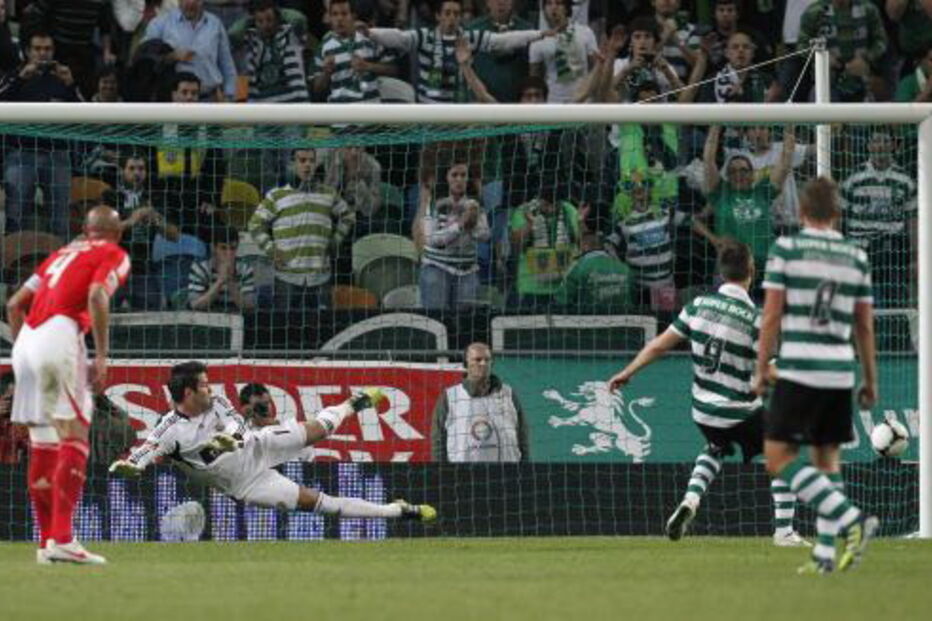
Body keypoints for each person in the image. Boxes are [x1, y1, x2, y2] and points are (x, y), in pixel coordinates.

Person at [608, 240, 807, 547]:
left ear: (720, 273)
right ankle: (784, 532)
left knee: (717, 446)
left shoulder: (697, 306)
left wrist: (628, 371)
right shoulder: (756, 320)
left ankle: (690, 500)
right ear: (752, 271)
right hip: (738, 410)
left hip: (702, 410)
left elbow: (661, 344)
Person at [110, 361, 437, 523]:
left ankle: (354, 403)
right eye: (204, 385)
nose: (211, 389)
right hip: (247, 483)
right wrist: (131, 467)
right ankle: (397, 511)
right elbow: (146, 450)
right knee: (322, 504)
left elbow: (238, 425)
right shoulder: (168, 430)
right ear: (188, 393)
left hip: (259, 444)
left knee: (320, 429)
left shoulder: (219, 402)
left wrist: (231, 439)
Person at [752, 177, 879, 574]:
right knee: (827, 460)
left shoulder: (787, 249)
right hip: (839, 370)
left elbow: (771, 314)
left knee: (777, 457)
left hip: (801, 366)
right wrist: (870, 379)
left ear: (802, 213)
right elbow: (864, 325)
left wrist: (760, 367)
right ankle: (825, 555)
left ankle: (852, 520)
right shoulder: (855, 255)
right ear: (837, 214)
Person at [5, 205, 130, 565]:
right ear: (117, 232)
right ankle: (63, 538)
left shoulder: (60, 254)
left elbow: (14, 305)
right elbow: (96, 296)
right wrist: (102, 355)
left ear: (86, 229)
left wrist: (27, 358)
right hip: (60, 336)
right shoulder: (113, 253)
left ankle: (47, 544)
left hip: (26, 340)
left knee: (43, 442)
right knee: (75, 434)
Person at [363, 0, 551, 103]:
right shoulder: (424, 35)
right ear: (438, 16)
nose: (452, 18)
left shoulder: (468, 37)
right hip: (429, 112)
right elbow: (399, 37)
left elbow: (501, 41)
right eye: (447, 13)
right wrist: (370, 33)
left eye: (456, 14)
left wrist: (539, 33)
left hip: (459, 112)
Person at [248, 148, 354, 312]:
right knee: (284, 329)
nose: (308, 165)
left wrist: (335, 240)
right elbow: (255, 225)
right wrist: (271, 249)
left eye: (311, 161)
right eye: (302, 160)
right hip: (286, 276)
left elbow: (347, 216)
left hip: (320, 276)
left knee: (322, 329)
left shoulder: (328, 194)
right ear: (292, 164)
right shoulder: (276, 196)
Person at [0, 31, 81, 239]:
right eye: (37, 49)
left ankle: (61, 269)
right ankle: (13, 269)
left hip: (58, 155)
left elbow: (83, 113)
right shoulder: (15, 75)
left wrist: (71, 85)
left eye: (47, 49)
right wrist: (19, 79)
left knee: (60, 219)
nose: (42, 54)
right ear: (27, 52)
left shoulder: (63, 78)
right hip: (20, 154)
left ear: (53, 52)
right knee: (16, 216)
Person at [839, 129, 917, 307]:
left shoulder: (905, 180)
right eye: (876, 141)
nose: (880, 145)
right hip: (860, 249)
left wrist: (915, 257)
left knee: (896, 303)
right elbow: (839, 215)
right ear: (868, 146)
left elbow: (913, 221)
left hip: (892, 250)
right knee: (862, 304)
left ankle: (895, 334)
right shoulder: (853, 178)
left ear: (893, 145)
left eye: (885, 141)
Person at [430, 342, 529, 462]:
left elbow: (522, 435)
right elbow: (438, 440)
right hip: (465, 476)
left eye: (487, 359)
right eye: (478, 359)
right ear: (466, 364)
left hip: (507, 473)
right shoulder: (450, 397)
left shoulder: (508, 394)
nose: (483, 363)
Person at [414, 160, 490, 310]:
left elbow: (485, 235)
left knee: (466, 323)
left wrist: (471, 223)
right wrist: (459, 226)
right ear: (446, 178)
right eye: (454, 175)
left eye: (463, 175)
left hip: (467, 269)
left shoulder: (474, 204)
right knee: (436, 317)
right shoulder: (433, 204)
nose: (459, 179)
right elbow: (431, 240)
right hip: (436, 268)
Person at [143, 0, 237, 101]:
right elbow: (144, 60)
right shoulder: (160, 24)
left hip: (208, 99)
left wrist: (229, 96)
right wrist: (171, 56)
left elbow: (227, 65)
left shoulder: (215, 24)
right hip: (171, 102)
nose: (190, 3)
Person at [311, 0, 397, 103]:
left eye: (344, 14)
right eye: (335, 14)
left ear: (353, 16)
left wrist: (368, 66)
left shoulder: (369, 39)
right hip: (341, 113)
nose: (339, 19)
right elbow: (316, 89)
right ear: (330, 17)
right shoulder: (323, 47)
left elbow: (394, 69)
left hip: (370, 110)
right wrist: (326, 73)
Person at [528, 0, 597, 103]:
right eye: (549, 4)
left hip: (583, 101)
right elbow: (535, 80)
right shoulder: (538, 40)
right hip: (553, 102)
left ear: (566, 8)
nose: (553, 7)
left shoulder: (585, 33)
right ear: (544, 9)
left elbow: (595, 68)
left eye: (558, 3)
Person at [186, 225, 256, 312]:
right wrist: (220, 282)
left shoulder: (245, 269)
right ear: (213, 248)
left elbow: (249, 307)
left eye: (232, 248)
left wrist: (230, 282)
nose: (228, 253)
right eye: (223, 248)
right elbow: (195, 305)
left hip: (237, 319)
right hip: (206, 318)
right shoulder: (200, 268)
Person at [0, 371, 29, 465]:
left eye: (16, 397)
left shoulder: (29, 417)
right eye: (8, 398)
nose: (12, 402)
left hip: (18, 475)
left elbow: (31, 449)